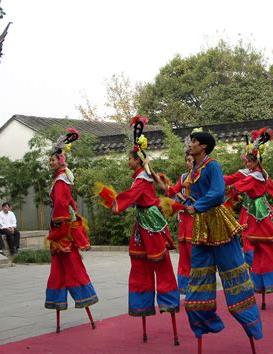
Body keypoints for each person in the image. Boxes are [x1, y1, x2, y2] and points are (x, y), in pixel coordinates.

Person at [98, 116, 180, 345]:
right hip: (144, 224)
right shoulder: (141, 178)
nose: (127, 161)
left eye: (129, 158)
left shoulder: (141, 181)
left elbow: (128, 198)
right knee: (142, 268)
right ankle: (147, 305)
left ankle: (168, 304)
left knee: (158, 268)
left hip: (150, 226)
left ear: (137, 160)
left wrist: (110, 201)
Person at [184, 129, 262, 354]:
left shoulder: (212, 166)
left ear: (204, 147)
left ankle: (251, 326)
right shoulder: (195, 169)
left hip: (219, 225)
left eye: (195, 141)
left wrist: (196, 206)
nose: (191, 144)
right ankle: (205, 323)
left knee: (235, 276)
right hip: (201, 227)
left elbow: (218, 194)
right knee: (197, 280)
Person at [45, 128, 98, 333]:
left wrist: (59, 229)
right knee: (62, 268)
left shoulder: (60, 181)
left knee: (69, 266)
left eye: (53, 160)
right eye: (50, 160)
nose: (51, 163)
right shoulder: (61, 179)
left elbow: (61, 204)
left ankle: (80, 298)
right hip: (62, 227)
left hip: (62, 229)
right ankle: (63, 300)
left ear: (61, 161)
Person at [231, 132, 273, 312]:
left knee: (263, 249)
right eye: (245, 161)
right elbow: (234, 180)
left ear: (256, 161)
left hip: (258, 214)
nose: (246, 164)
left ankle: (270, 282)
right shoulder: (254, 174)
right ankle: (261, 283)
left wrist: (221, 191)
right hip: (252, 212)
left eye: (249, 161)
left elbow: (238, 186)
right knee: (255, 250)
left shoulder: (256, 176)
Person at [158, 154, 195, 295]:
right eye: (186, 160)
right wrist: (160, 181)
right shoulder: (184, 177)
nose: (188, 163)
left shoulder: (202, 175)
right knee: (184, 252)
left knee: (194, 252)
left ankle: (199, 287)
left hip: (196, 216)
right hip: (184, 217)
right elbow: (172, 190)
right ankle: (185, 287)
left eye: (190, 160)